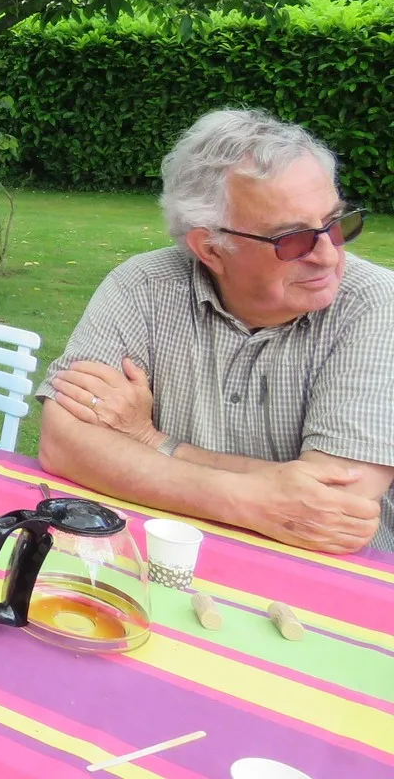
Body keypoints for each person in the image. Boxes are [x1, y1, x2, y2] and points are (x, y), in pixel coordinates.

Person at [36, 109, 394, 554]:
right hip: (163, 556)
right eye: (293, 240)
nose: (327, 255)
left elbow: (333, 504)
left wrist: (153, 442)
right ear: (211, 249)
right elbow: (63, 443)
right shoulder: (143, 286)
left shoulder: (376, 303)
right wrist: (248, 500)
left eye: (336, 224)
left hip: (331, 578)